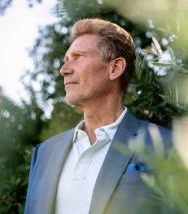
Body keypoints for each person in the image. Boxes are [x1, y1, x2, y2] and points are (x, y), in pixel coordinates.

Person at [24, 18, 172, 214]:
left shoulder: (166, 145)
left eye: (78, 57)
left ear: (115, 68)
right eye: (66, 60)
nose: (64, 70)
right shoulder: (43, 154)